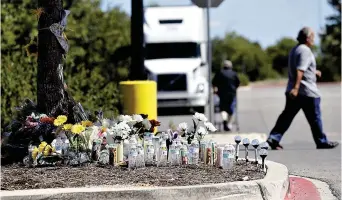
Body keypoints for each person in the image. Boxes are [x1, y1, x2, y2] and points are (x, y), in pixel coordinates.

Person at [266, 27, 339, 150]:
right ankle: (321, 141)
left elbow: (301, 68)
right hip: (306, 91)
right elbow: (300, 70)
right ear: (307, 38)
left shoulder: (295, 49)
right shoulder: (305, 50)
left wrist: (313, 72)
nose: (314, 40)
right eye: (313, 37)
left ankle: (273, 138)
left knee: (286, 116)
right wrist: (296, 88)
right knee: (315, 118)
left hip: (295, 90)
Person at [212, 60, 240, 131]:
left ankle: (224, 121)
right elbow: (238, 83)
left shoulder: (219, 73)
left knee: (223, 108)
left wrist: (215, 90)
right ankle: (228, 124)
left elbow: (214, 82)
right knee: (231, 109)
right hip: (232, 94)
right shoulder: (234, 73)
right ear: (230, 66)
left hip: (221, 94)